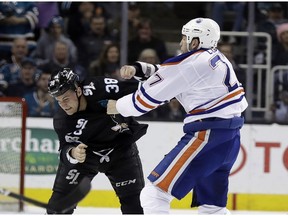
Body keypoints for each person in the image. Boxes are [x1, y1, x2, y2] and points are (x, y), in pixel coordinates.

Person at [108, 17, 248, 214]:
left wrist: (117, 106)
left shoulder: (192, 64)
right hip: (229, 138)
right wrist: (140, 69)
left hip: (207, 136)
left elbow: (142, 102)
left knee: (154, 194)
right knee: (212, 208)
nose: (182, 42)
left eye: (185, 37)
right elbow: (172, 75)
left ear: (196, 41)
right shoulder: (216, 57)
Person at [46, 68, 148, 214]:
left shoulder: (100, 87)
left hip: (120, 150)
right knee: (58, 205)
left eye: (66, 98)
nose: (64, 105)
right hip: (85, 158)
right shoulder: (62, 121)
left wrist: (123, 105)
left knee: (135, 204)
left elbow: (141, 90)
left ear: (78, 90)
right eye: (59, 101)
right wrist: (73, 153)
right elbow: (63, 151)